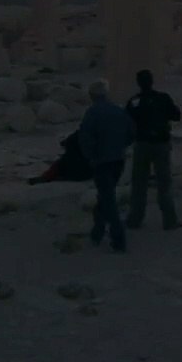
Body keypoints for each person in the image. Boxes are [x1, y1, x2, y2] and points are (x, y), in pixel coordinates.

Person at [77, 79, 135, 252]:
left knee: (108, 201)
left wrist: (91, 156)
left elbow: (85, 139)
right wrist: (120, 147)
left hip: (102, 162)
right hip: (118, 160)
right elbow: (131, 132)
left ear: (91, 95)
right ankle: (97, 232)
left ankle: (119, 239)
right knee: (105, 198)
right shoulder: (118, 110)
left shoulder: (92, 113)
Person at [124, 69, 182, 230]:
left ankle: (135, 219)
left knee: (139, 183)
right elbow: (176, 115)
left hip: (142, 144)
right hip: (161, 144)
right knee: (164, 183)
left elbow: (127, 122)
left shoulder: (134, 101)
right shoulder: (162, 98)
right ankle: (169, 220)